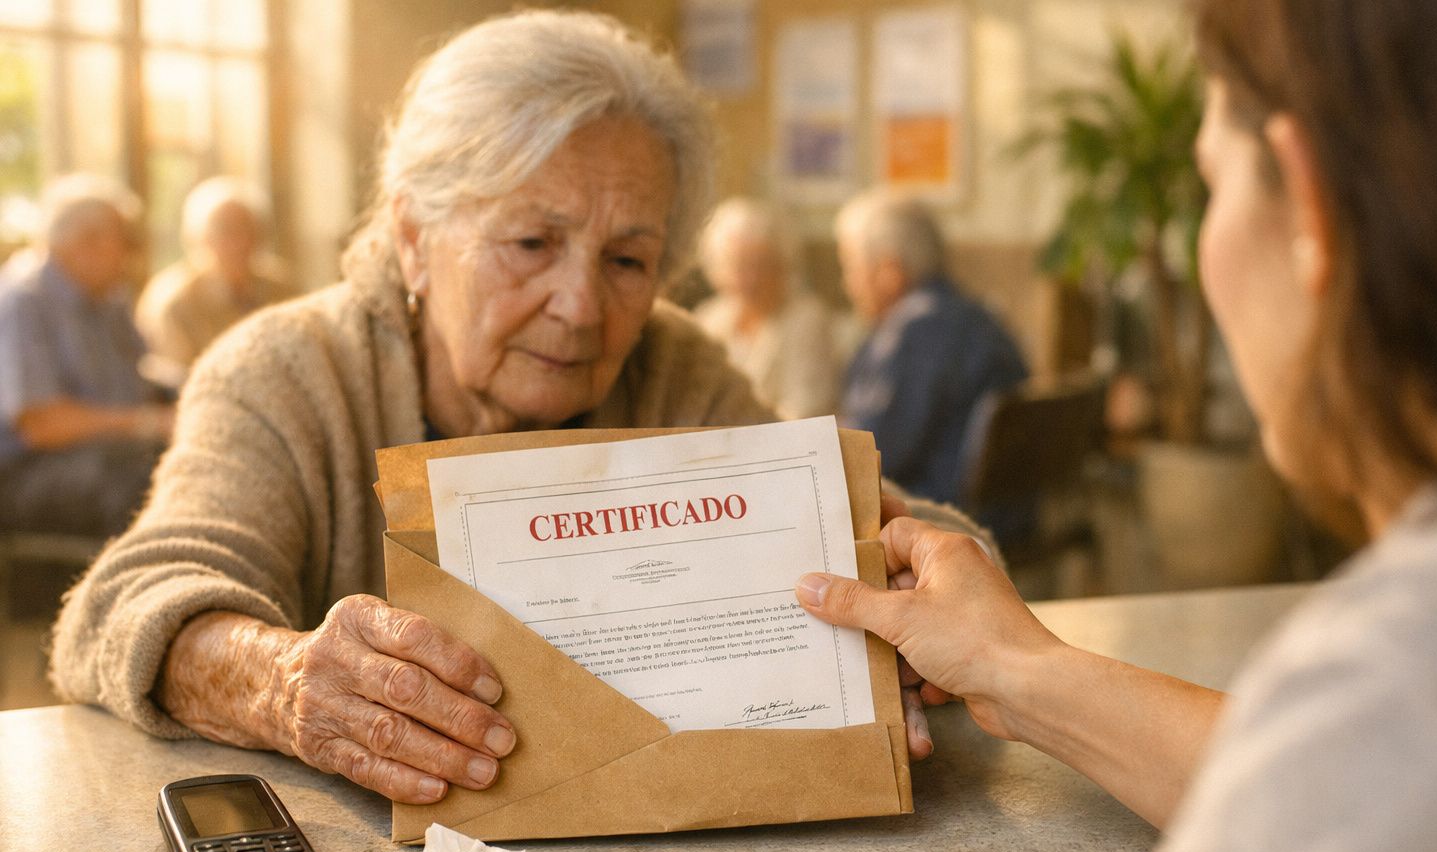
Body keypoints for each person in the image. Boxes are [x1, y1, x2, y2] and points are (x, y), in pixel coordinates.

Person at [797, 1, 1437, 852]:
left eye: (1214, 184)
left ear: (1309, 207)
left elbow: (1371, 781)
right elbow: (1323, 798)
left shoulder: (1419, 691)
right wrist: (1018, 668)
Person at [52, 12, 964, 809]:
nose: (579, 306)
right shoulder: (285, 372)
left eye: (628, 261)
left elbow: (931, 541)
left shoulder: (672, 364)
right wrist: (283, 682)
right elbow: (125, 604)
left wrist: (900, 585)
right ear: (413, 238)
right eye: (531, 242)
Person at [0, 174, 173, 538]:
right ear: (83, 244)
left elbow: (142, 372)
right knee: (148, 475)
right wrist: (146, 422)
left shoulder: (109, 299)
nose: (131, 254)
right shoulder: (22, 302)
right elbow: (41, 425)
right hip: (28, 474)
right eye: (124, 242)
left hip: (105, 454)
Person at [835, 191, 1028, 505]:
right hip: (1008, 513)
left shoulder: (913, 333)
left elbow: (868, 455)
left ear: (889, 273)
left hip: (942, 517)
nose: (848, 283)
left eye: (850, 266)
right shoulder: (979, 315)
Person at [693, 197, 855, 418]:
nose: (750, 279)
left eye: (760, 265)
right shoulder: (708, 319)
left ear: (783, 265)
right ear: (717, 269)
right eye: (738, 266)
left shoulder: (807, 320)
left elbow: (806, 410)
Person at [136, 176, 294, 383]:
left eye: (248, 230)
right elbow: (179, 378)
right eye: (227, 232)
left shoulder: (281, 289)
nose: (240, 243)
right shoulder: (173, 300)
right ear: (199, 237)